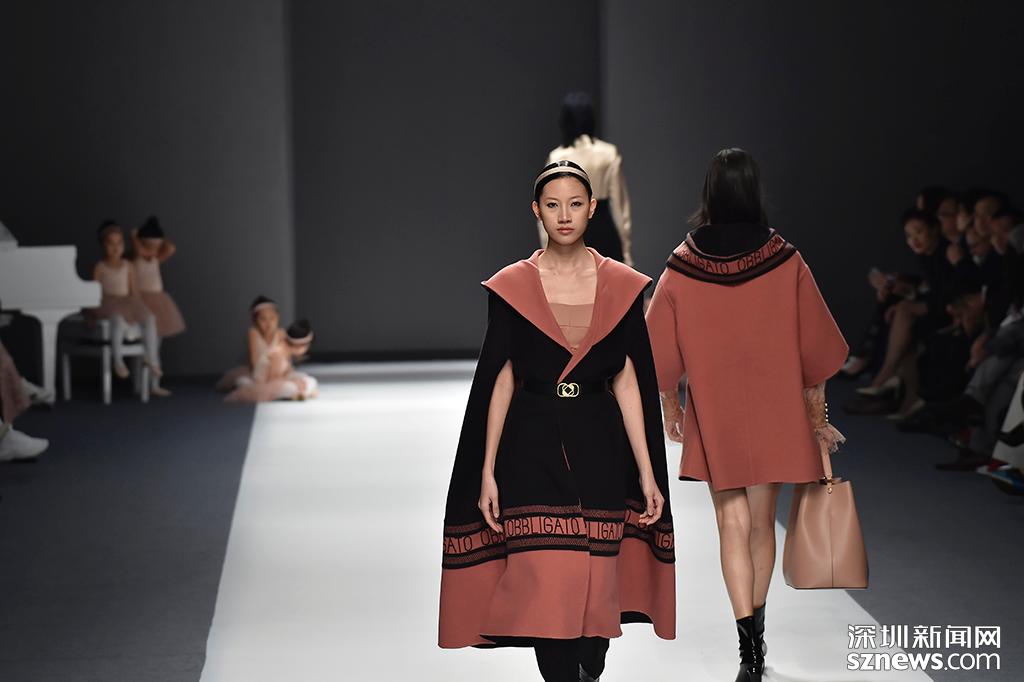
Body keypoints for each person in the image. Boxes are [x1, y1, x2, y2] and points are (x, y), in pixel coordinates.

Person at [439, 160, 675, 682]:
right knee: (547, 590)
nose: (564, 215)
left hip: (600, 444)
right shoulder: (512, 287)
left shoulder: (622, 286)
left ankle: (590, 664)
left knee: (594, 595)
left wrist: (647, 472)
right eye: (552, 205)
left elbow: (628, 381)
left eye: (574, 204)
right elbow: (500, 379)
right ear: (536, 211)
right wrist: (487, 471)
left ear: (592, 209)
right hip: (530, 444)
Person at [645, 148, 849, 682]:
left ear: (709, 193)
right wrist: (816, 416)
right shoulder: (785, 259)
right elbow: (817, 348)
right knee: (761, 524)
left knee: (730, 525)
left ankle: (748, 652)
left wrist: (672, 407)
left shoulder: (682, 265)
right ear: (755, 191)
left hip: (717, 410)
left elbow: (657, 352)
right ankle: (757, 636)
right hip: (774, 406)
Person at [538, 92, 634, 265]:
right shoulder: (608, 153)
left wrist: (547, 250)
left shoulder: (556, 157)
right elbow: (620, 208)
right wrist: (625, 251)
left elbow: (547, 205)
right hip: (604, 230)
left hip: (570, 230)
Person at [88, 221, 162, 382]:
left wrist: (137, 309)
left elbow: (134, 292)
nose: (116, 248)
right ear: (102, 245)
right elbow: (94, 291)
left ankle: (152, 358)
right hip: (108, 302)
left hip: (126, 301)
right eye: (111, 243)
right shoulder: (100, 267)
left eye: (119, 243)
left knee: (150, 318)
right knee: (117, 319)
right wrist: (92, 312)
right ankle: (118, 360)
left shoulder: (128, 266)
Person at [132, 216, 185, 397]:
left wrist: (159, 241)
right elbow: (139, 250)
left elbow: (171, 248)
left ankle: (154, 384)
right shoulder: (137, 259)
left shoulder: (155, 259)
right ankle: (140, 385)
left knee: (156, 345)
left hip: (159, 304)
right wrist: (135, 238)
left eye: (156, 245)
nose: (152, 249)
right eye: (149, 245)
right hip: (142, 304)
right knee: (146, 346)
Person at [221, 296, 310, 402]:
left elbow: (286, 361)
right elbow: (255, 362)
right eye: (263, 319)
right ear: (255, 321)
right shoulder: (253, 333)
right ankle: (275, 391)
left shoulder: (281, 333)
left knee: (305, 379)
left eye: (272, 318)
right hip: (257, 374)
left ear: (278, 318)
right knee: (243, 382)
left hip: (278, 373)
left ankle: (285, 391)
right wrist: (267, 379)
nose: (268, 324)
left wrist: (285, 375)